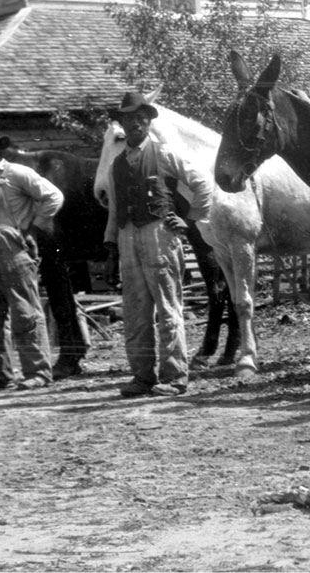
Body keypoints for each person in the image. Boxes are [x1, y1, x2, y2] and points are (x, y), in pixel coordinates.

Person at [104, 92, 211, 398]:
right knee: (136, 311)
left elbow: (202, 183)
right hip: (128, 238)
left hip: (159, 235)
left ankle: (175, 376)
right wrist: (111, 246)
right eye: (129, 120)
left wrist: (189, 221)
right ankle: (142, 377)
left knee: (168, 308)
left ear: (148, 123)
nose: (135, 125)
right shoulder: (116, 164)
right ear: (122, 124)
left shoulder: (165, 154)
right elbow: (113, 210)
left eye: (141, 120)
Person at [0, 120, 63, 392]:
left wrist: (33, 229)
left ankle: (38, 372)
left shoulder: (18, 174)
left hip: (15, 254)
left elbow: (53, 196)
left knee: (24, 312)